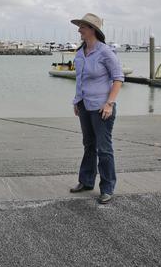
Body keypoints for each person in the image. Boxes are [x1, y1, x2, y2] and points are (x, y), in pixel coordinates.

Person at [68, 13, 124, 204]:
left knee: (104, 148)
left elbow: (118, 79)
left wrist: (110, 103)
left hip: (102, 107)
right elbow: (80, 80)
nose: (79, 30)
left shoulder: (105, 52)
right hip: (84, 105)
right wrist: (77, 101)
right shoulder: (80, 52)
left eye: (82, 27)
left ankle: (107, 187)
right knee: (88, 145)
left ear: (92, 30)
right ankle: (86, 181)